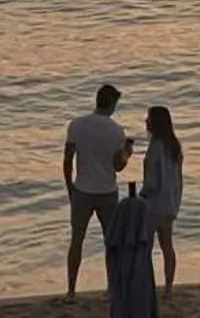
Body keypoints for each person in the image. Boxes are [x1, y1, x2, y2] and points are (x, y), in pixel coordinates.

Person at [63, 82, 132, 296]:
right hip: (107, 191)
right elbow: (118, 166)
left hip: (82, 189)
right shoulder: (116, 131)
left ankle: (71, 290)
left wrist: (70, 186)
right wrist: (128, 152)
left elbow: (67, 159)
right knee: (111, 242)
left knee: (77, 241)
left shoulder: (77, 125)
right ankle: (112, 287)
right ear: (111, 104)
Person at [140, 105, 184, 293]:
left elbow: (152, 182)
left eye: (148, 118)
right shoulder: (174, 146)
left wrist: (140, 196)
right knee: (167, 246)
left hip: (154, 204)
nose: (145, 121)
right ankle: (168, 286)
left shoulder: (155, 147)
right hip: (170, 203)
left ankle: (147, 286)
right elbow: (177, 179)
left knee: (146, 248)